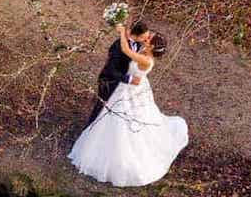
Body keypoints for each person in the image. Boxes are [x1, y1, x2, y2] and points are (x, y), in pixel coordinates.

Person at [68, 24, 188, 187]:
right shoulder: (143, 51)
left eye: (149, 39)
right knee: (111, 114)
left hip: (131, 89)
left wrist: (123, 32)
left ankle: (118, 157)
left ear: (151, 46)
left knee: (124, 119)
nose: (147, 38)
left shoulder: (146, 59)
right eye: (147, 36)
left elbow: (126, 50)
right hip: (130, 86)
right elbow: (119, 60)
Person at [85, 20, 149, 128]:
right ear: (136, 35)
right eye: (144, 37)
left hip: (122, 84)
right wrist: (128, 79)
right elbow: (111, 70)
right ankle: (88, 129)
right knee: (100, 107)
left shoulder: (137, 44)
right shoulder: (118, 46)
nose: (146, 40)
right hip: (109, 81)